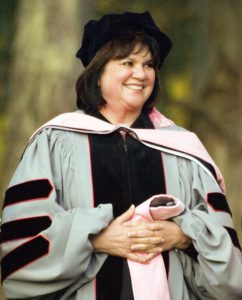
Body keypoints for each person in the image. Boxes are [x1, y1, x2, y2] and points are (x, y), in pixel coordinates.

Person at [0, 11, 241, 300]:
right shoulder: (54, 142)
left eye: (148, 64)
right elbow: (19, 256)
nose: (140, 74)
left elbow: (230, 268)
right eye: (127, 63)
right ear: (98, 73)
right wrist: (94, 240)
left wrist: (184, 235)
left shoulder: (184, 149)